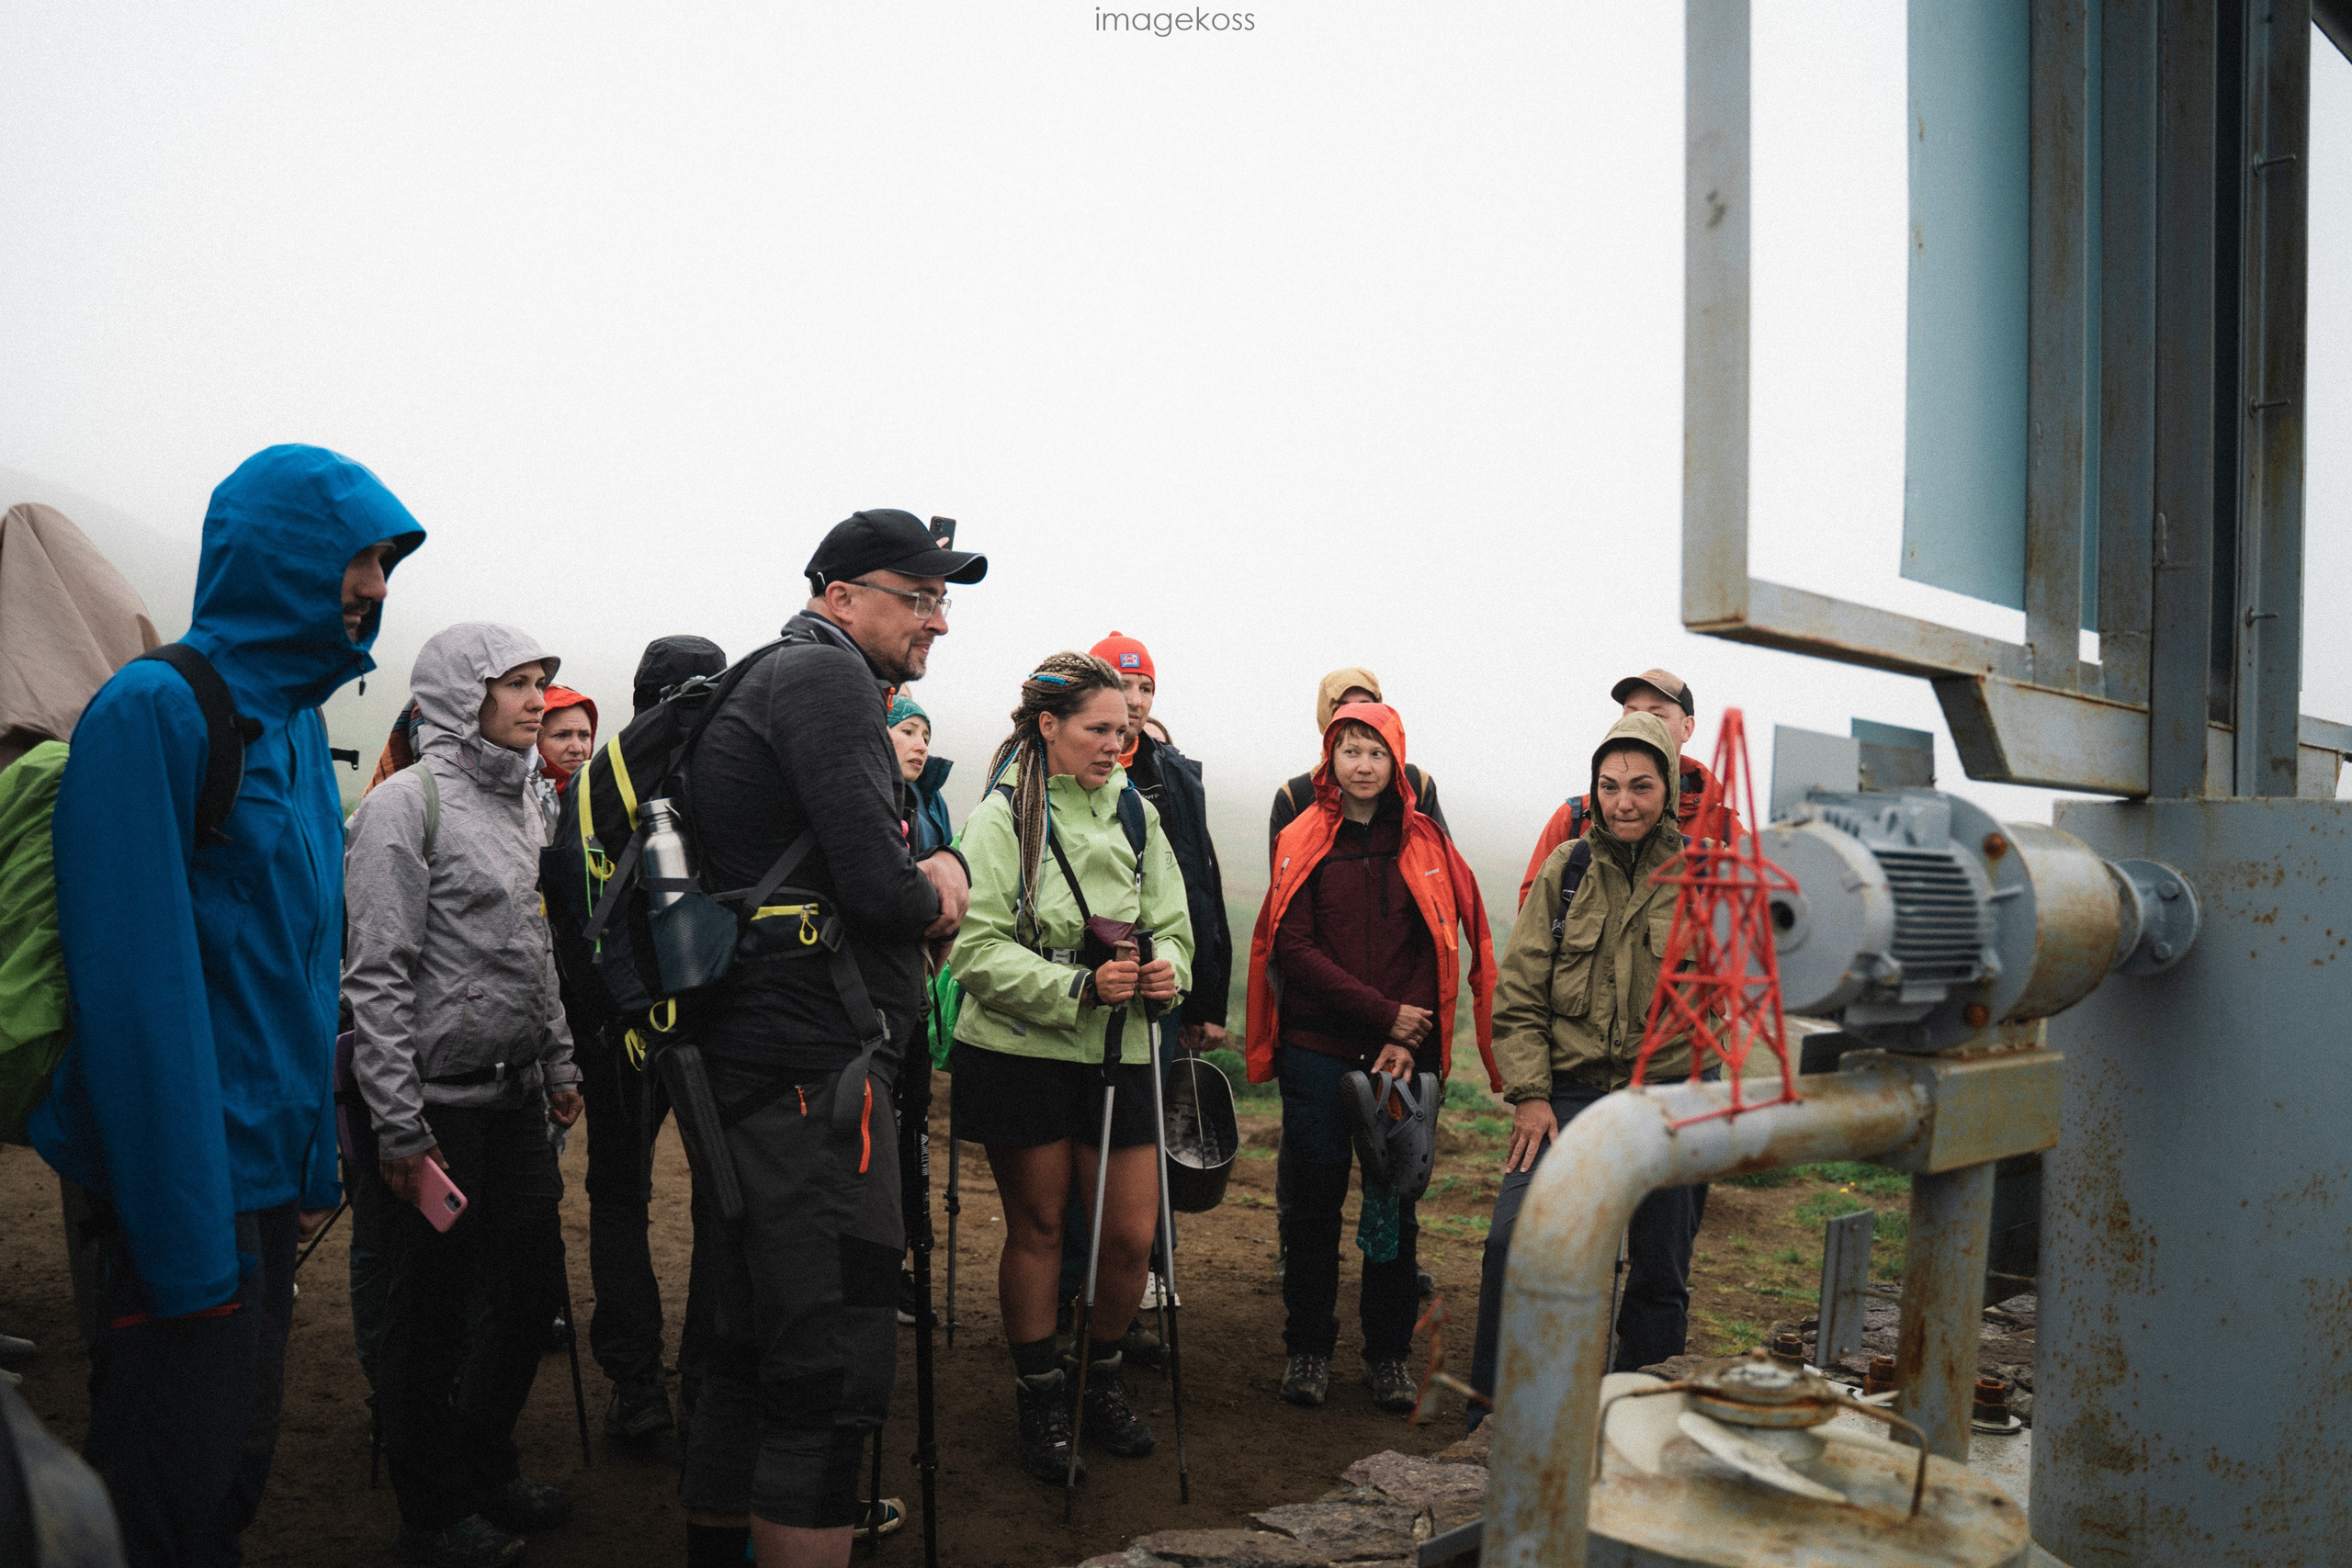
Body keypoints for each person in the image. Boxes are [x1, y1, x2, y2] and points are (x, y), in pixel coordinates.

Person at [28, 444, 424, 1566]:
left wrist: (309, 1168)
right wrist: (187, 1242)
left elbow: (296, 967)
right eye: (359, 557)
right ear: (281, 555)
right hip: (177, 1187)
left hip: (262, 1177)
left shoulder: (295, 729)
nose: (377, 585)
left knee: (233, 1467)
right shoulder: (155, 711)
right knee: (163, 1480)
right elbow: (136, 996)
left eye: (386, 563)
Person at [675, 509, 979, 1568]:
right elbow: (883, 891)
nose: (938, 621)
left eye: (942, 600)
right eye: (919, 596)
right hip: (814, 1082)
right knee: (830, 1364)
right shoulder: (825, 679)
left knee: (745, 1341)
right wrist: (946, 881)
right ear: (840, 596)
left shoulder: (772, 676)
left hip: (758, 1061)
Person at [343, 624, 584, 1568]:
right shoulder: (405, 806)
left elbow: (532, 943)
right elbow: (376, 974)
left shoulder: (525, 800)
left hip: (513, 1096)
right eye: (513, 683)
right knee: (430, 1314)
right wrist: (399, 1126)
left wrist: (558, 1061)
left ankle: (484, 1465)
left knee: (527, 1295)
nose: (534, 700)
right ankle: (432, 1513)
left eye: (538, 683)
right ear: (459, 695)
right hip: (434, 1107)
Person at [948, 651, 1193, 1485]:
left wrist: (1168, 971)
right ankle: (1041, 1395)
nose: (1115, 744)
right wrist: (1077, 987)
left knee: (1128, 1236)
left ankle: (1100, 1377)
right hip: (1020, 1051)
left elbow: (1175, 925)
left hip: (1122, 1046)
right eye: (1098, 729)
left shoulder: (1137, 815)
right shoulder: (999, 819)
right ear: (1048, 726)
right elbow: (973, 949)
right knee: (1043, 1228)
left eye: (1123, 730)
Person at [1245, 702, 1496, 1411]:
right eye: (1350, 750)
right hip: (1317, 1047)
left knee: (1395, 1201)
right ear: (1330, 758)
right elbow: (1293, 945)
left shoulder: (1421, 840)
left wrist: (1403, 1033)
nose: (1363, 764)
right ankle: (1308, 1348)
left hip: (1401, 1055)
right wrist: (1383, 1013)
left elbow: (1433, 940)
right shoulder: (1303, 836)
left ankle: (1388, 1355)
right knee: (1315, 1202)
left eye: (1376, 752)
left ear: (1396, 761)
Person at [1467, 712, 1703, 1427]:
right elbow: (1520, 990)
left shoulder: (1703, 878)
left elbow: (1728, 1005)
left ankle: (1635, 1426)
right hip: (1565, 1094)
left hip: (1664, 1101)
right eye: (1609, 785)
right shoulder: (1566, 869)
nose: (1623, 801)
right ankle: (1493, 1424)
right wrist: (1530, 1093)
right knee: (1515, 1241)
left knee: (1660, 1271)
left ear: (1668, 789)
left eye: (1641, 785)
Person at [575, 635, 727, 1444]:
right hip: (715, 1022)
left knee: (618, 1196)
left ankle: (636, 1388)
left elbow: (572, 901)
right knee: (721, 1202)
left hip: (618, 1029)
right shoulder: (735, 768)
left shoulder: (605, 774)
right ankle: (707, 1383)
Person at [1515, 668, 1743, 905]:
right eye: (1631, 714)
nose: (1640, 724)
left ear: (1687, 728)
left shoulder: (1722, 830)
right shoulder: (1575, 818)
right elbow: (1534, 910)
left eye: (1657, 716)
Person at [1268, 667, 1447, 863]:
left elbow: (1442, 868)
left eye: (1366, 706)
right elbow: (1285, 876)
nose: (1356, 714)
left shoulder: (1415, 785)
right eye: (1342, 708)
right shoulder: (1296, 797)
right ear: (1325, 717)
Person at [887, 692, 955, 857]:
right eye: (908, 731)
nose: (922, 747)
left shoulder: (929, 797)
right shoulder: (856, 793)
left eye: (925, 739)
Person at [530, 685, 597, 838]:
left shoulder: (607, 797)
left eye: (584, 735)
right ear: (535, 741)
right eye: (562, 735)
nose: (577, 748)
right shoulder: (515, 801)